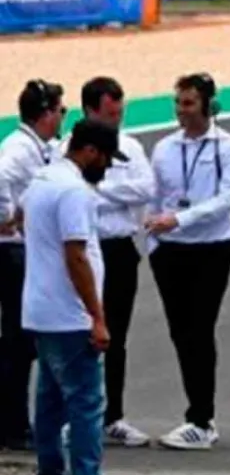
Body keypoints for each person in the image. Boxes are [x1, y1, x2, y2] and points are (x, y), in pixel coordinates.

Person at [21, 119, 133, 475]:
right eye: (104, 158)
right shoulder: (74, 191)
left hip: (41, 308)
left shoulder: (41, 181)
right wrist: (97, 315)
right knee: (87, 402)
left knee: (50, 401)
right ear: (89, 152)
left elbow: (23, 224)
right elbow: (77, 256)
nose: (105, 167)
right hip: (70, 314)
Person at [146, 73, 230, 450]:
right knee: (180, 332)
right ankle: (197, 414)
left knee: (199, 329)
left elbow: (228, 198)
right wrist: (154, 235)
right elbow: (154, 194)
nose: (181, 111)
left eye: (189, 103)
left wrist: (180, 219)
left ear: (209, 105)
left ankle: (201, 418)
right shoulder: (164, 148)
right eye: (178, 103)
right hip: (170, 250)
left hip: (211, 247)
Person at [75, 77, 156, 448]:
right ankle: (75, 414)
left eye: (120, 113)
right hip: (85, 249)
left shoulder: (132, 147)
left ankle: (114, 416)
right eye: (110, 114)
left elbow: (145, 188)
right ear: (91, 111)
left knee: (116, 335)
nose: (117, 120)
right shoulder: (68, 148)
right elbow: (77, 194)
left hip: (120, 248)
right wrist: (106, 194)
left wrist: (100, 188)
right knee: (78, 333)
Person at [0, 79, 64, 451]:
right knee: (17, 342)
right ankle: (12, 424)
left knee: (20, 342)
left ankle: (14, 421)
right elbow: (2, 179)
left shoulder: (39, 147)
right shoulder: (19, 149)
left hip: (18, 250)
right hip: (11, 251)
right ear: (45, 113)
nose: (61, 118)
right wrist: (8, 215)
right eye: (59, 111)